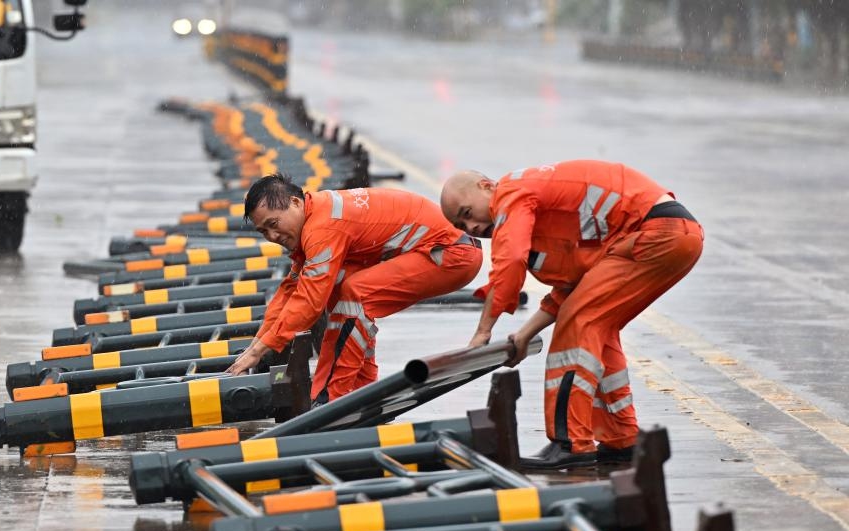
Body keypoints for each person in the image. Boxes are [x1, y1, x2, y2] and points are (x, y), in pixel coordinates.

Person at [440, 160, 703, 470]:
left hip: (657, 233)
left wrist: (483, 331)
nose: (471, 229)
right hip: (672, 235)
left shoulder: (511, 192)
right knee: (597, 327)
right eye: (460, 227)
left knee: (580, 324)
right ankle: (621, 439)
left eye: (467, 214)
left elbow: (510, 261)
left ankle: (570, 442)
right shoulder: (549, 217)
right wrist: (524, 334)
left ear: (487, 187)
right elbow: (574, 286)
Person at [225, 173, 483, 404]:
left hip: (452, 253)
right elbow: (292, 290)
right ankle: (363, 392)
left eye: (274, 223)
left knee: (355, 293)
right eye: (263, 231)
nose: (272, 236)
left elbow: (308, 301)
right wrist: (256, 346)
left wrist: (262, 349)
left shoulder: (323, 228)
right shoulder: (314, 217)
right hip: (448, 249)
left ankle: (330, 399)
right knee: (342, 289)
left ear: (295, 203)